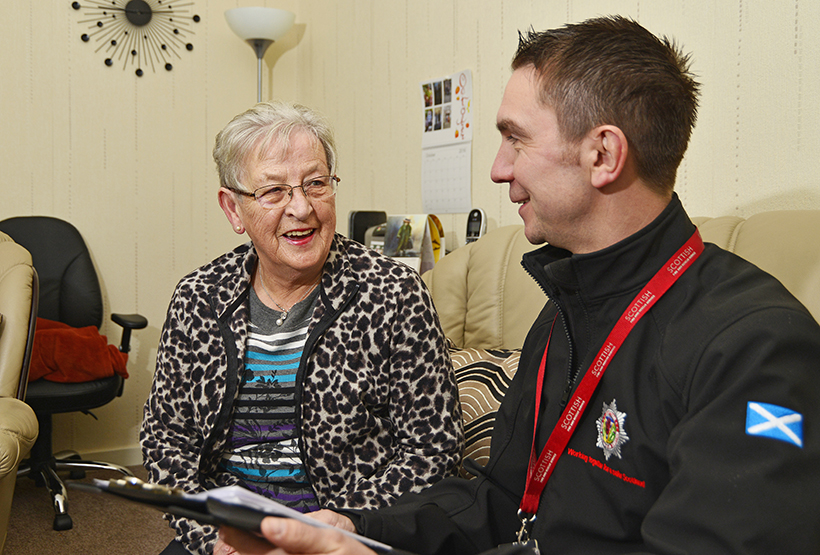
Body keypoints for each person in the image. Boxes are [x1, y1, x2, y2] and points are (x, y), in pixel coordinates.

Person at [220, 15, 820, 555]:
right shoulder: (564, 309)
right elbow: (504, 501)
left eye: (516, 137)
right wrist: (350, 531)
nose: (498, 168)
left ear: (603, 154)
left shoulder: (756, 348)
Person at [141, 101, 464, 555]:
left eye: (316, 183)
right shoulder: (199, 298)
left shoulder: (393, 293)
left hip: (348, 535)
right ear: (233, 209)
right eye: (273, 191)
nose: (301, 207)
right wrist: (207, 536)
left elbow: (433, 450)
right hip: (229, 535)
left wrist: (344, 525)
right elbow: (165, 439)